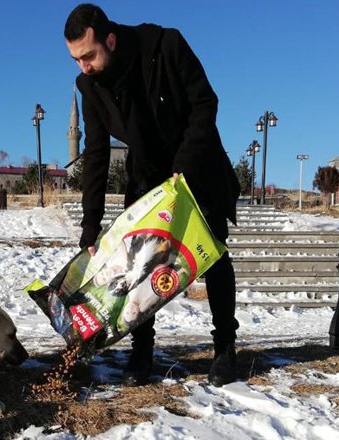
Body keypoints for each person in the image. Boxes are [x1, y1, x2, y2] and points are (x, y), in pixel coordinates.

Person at [63, 3, 241, 387]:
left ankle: (225, 348)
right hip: (146, 177)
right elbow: (95, 152)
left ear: (110, 39)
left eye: (89, 56)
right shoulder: (89, 85)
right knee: (138, 263)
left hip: (198, 164)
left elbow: (204, 105)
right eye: (76, 59)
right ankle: (142, 352)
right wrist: (90, 223)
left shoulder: (166, 45)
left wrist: (184, 168)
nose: (84, 67)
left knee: (214, 258)